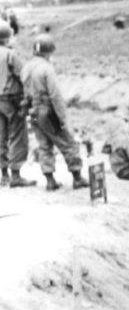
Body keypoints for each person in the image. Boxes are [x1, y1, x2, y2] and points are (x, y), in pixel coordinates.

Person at [21, 35, 87, 191]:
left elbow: (25, 93)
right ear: (48, 52)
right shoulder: (46, 68)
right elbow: (55, 95)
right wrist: (63, 119)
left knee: (43, 145)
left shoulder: (26, 68)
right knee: (68, 142)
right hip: (47, 111)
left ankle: (50, 180)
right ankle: (77, 177)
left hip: (33, 111)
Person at [0, 20, 34, 187]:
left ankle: (3, 174)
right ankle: (15, 175)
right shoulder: (10, 54)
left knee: (1, 136)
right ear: (8, 38)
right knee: (17, 136)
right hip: (11, 99)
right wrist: (27, 98)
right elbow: (24, 75)